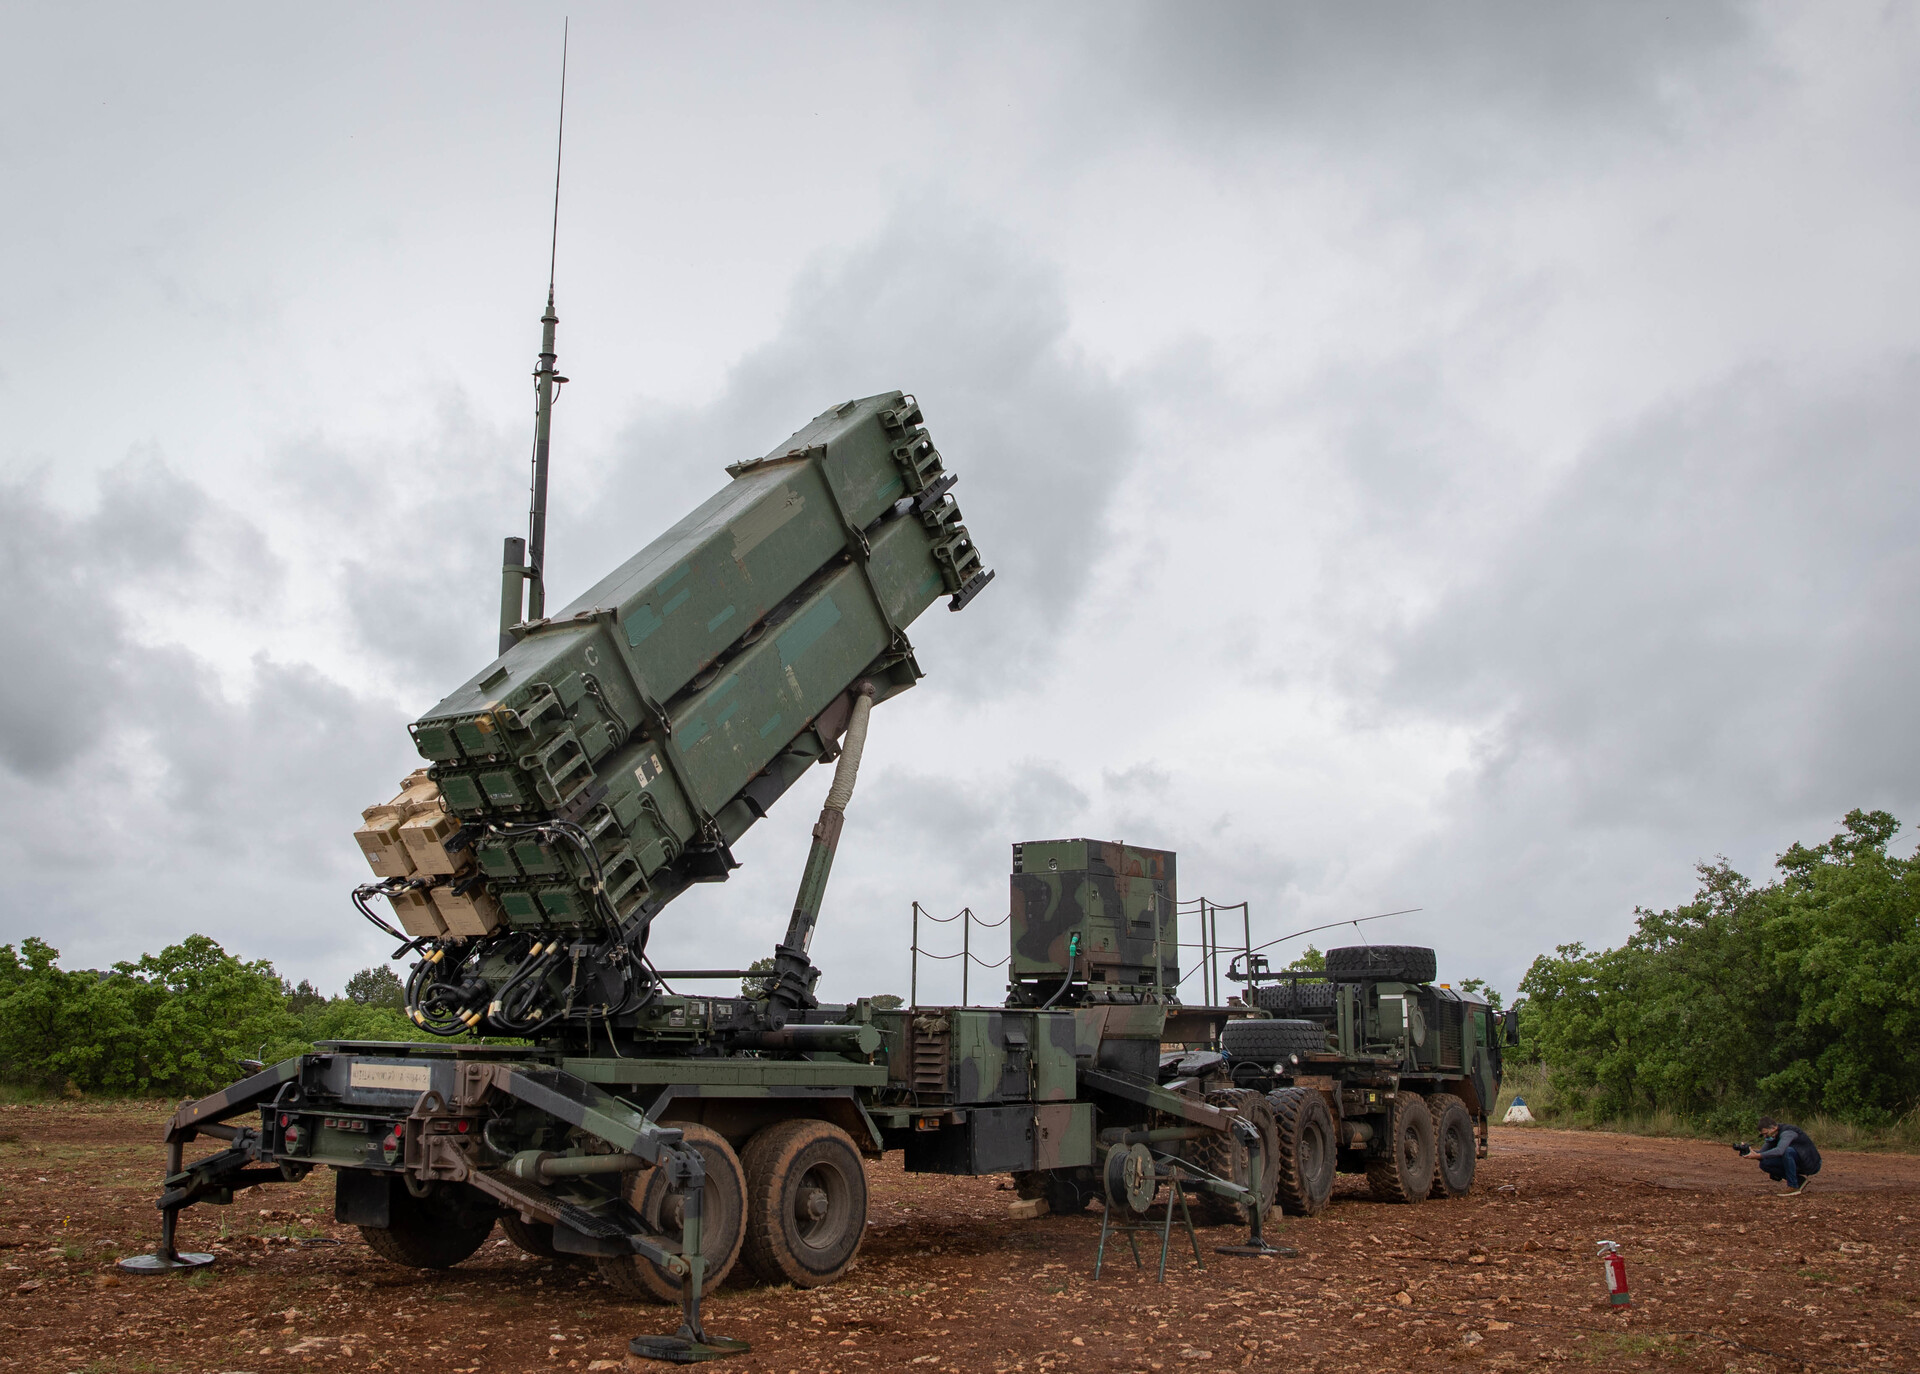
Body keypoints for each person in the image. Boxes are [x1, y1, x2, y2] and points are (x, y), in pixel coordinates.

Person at [1739, 1117, 1821, 1195]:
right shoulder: (1773, 1135)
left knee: (1787, 1151)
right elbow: (1763, 1153)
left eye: (1766, 1134)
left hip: (1811, 1164)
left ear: (1773, 1128)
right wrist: (1748, 1151)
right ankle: (1799, 1181)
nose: (1765, 1136)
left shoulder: (1787, 1132)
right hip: (1796, 1161)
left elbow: (1780, 1150)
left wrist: (1758, 1155)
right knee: (1764, 1163)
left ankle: (1793, 1186)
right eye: (1763, 1135)